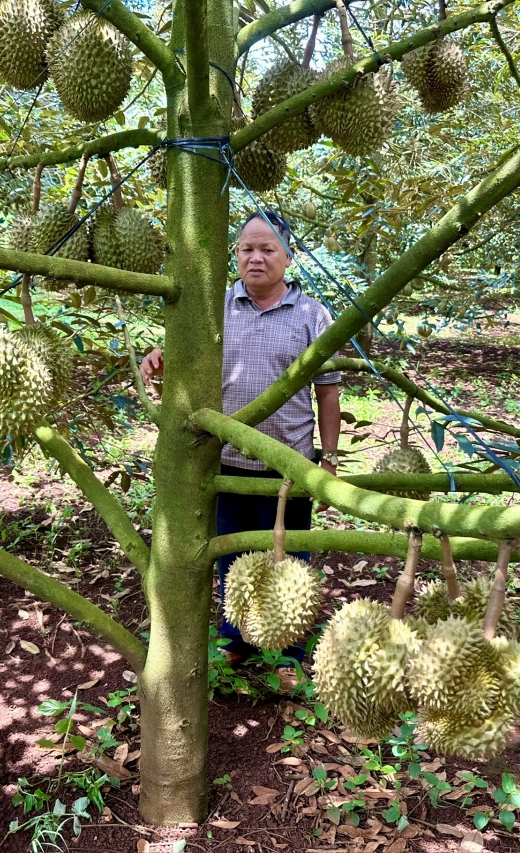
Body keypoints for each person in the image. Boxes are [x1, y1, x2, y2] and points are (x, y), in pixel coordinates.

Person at [140, 211, 341, 685]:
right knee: (230, 555)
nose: (256, 257)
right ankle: (233, 642)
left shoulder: (314, 315)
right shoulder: (214, 310)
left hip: (288, 462)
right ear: (235, 254)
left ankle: (286, 652)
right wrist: (159, 357)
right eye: (247, 248)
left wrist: (328, 458)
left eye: (268, 249)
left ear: (289, 257)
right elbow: (185, 363)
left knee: (289, 558)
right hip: (223, 459)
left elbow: (328, 390)